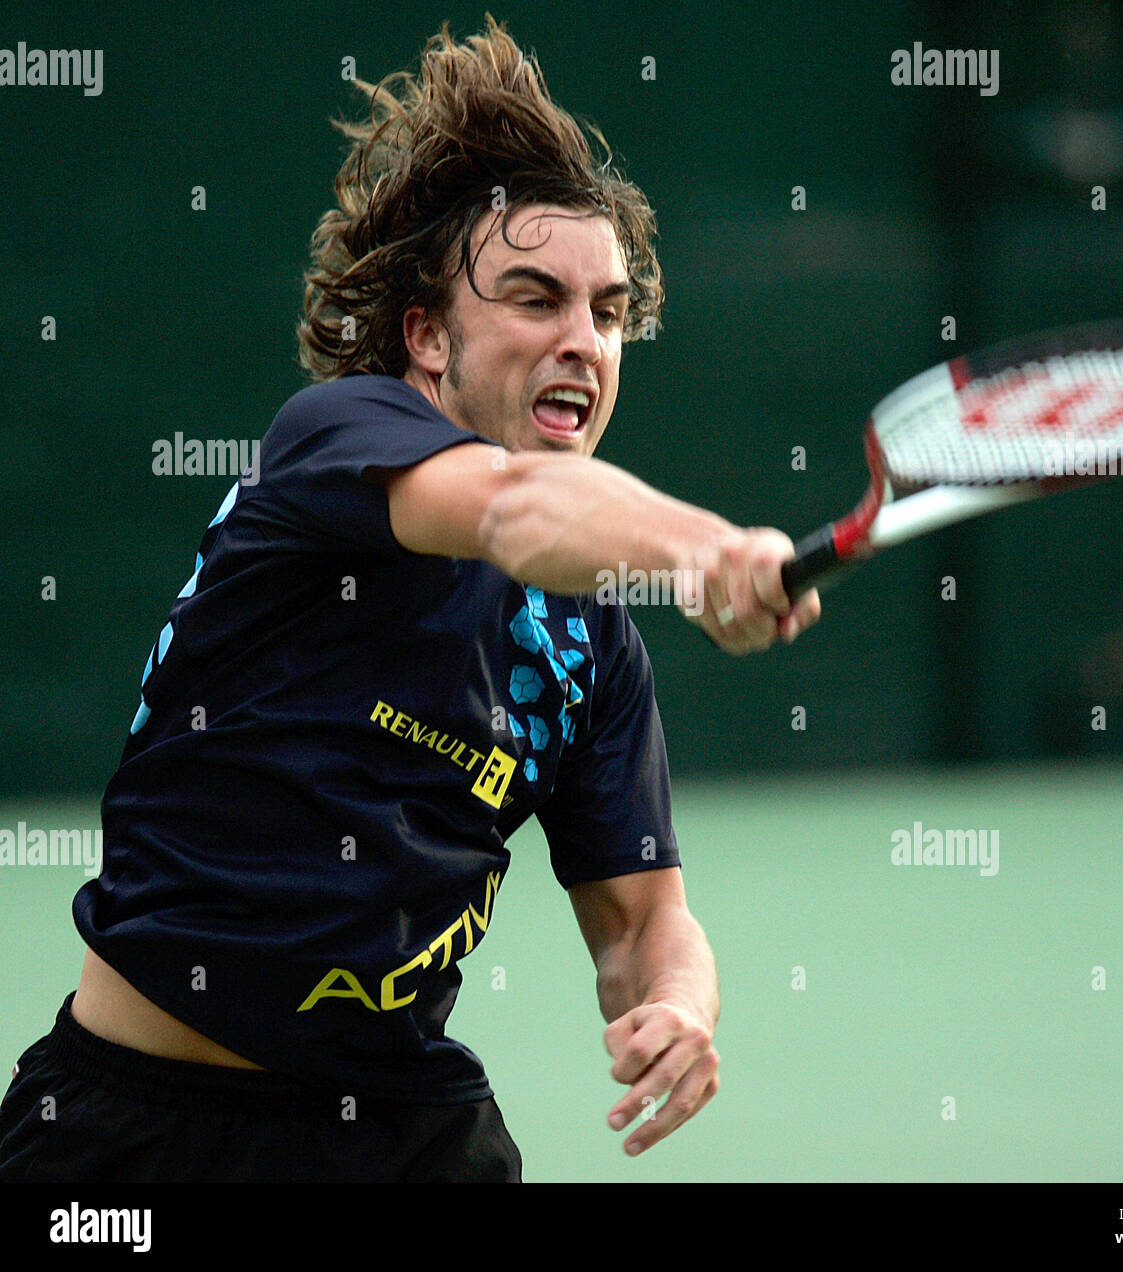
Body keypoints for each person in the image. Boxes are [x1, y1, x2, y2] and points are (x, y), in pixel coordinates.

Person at [0, 17, 820, 1183]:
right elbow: (510, 511)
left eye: (607, 311)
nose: (582, 341)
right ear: (427, 337)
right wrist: (704, 551)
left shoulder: (589, 648)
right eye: (536, 300)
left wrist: (680, 1006)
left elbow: (640, 923)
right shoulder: (336, 442)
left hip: (390, 1130)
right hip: (137, 1129)